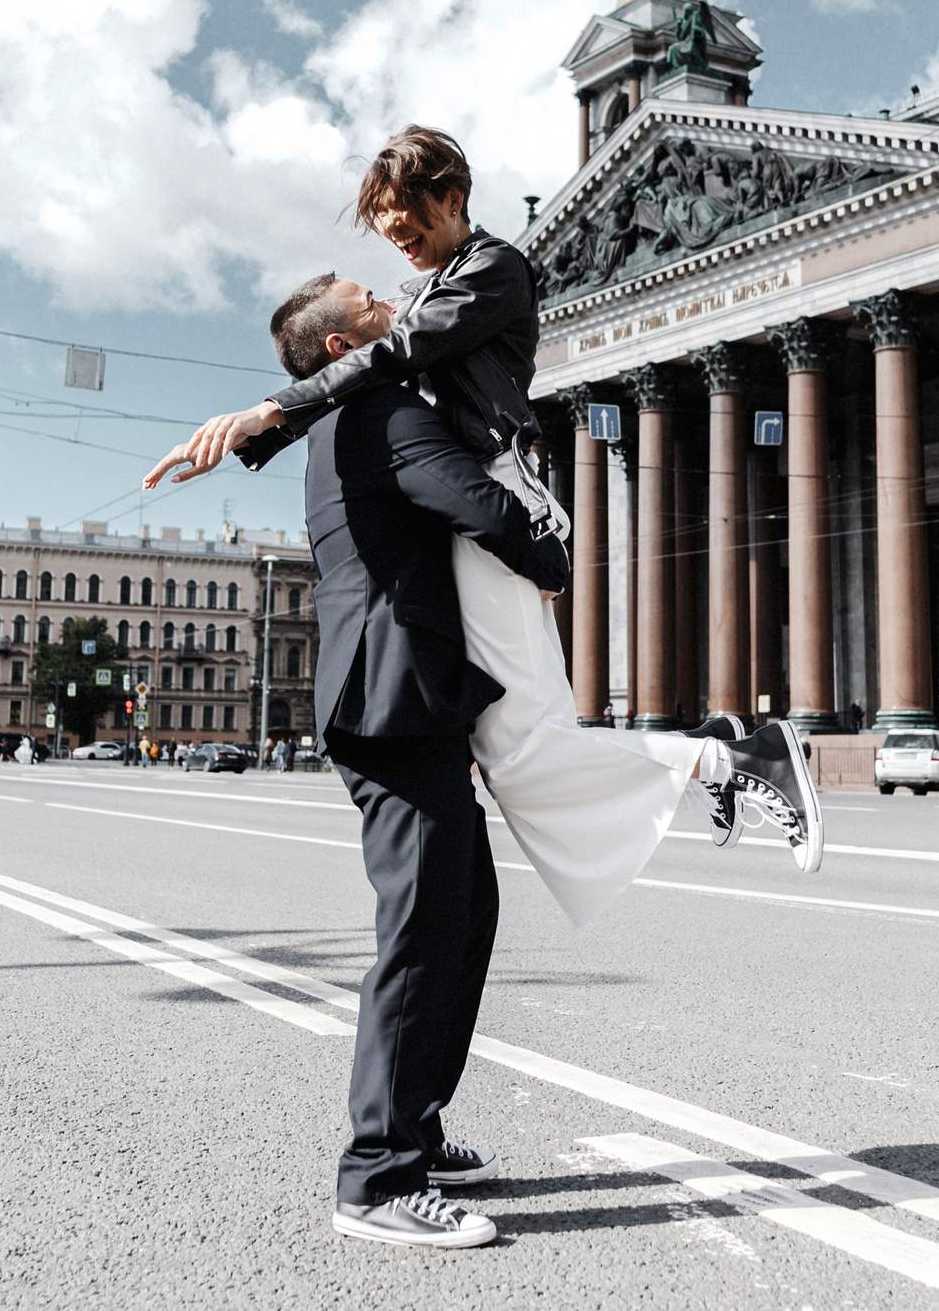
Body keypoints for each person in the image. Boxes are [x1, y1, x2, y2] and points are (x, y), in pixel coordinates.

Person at [149, 127, 824, 911]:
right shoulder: (425, 287)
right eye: (386, 230)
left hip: (497, 496)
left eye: (408, 221)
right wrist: (254, 430)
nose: (396, 245)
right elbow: (350, 362)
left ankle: (745, 758)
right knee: (517, 741)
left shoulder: (492, 270)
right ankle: (717, 749)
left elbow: (386, 356)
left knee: (524, 747)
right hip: (478, 514)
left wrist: (272, 408)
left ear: (452, 197)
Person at [299, 370, 568, 1249]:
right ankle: (380, 1176)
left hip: (403, 691)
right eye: (365, 301)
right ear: (339, 343)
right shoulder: (379, 408)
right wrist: (546, 554)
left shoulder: (340, 418)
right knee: (421, 933)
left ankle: (418, 1125)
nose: (389, 302)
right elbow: (478, 504)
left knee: (464, 914)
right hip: (393, 689)